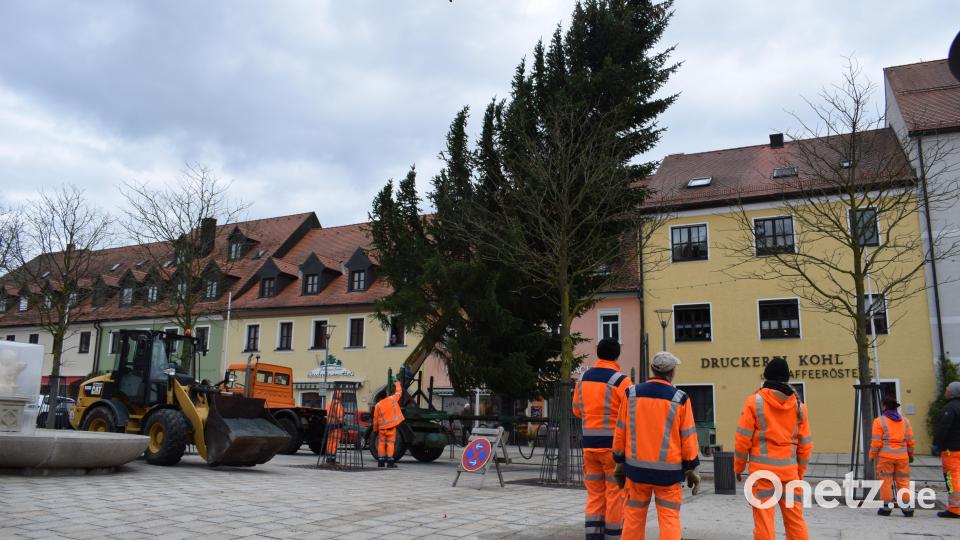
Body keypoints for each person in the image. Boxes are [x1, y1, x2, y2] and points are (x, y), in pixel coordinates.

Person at [612, 351, 699, 540]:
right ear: (672, 372)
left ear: (652, 369)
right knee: (669, 519)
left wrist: (619, 462)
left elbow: (621, 430)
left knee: (633, 518)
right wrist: (691, 468)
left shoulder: (631, 394)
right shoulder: (680, 398)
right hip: (669, 474)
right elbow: (688, 437)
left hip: (636, 471)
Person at [734, 357, 812, 540]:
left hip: (763, 475)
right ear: (787, 378)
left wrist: (738, 467)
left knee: (764, 523)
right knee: (795, 521)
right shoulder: (800, 406)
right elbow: (806, 444)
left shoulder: (754, 401)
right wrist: (799, 473)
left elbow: (742, 439)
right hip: (790, 473)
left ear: (766, 377)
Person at [573, 337, 633, 540]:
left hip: (589, 446)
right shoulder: (621, 380)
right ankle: (614, 535)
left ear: (598, 353)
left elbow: (577, 410)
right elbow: (630, 413)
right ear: (617, 355)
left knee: (594, 493)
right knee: (615, 494)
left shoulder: (582, 379)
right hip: (613, 449)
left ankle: (593, 535)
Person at [870, 394, 915, 516]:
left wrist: (872, 455)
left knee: (886, 482)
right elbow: (910, 441)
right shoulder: (905, 421)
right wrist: (910, 454)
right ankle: (907, 508)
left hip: (886, 457)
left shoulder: (879, 421)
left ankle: (886, 508)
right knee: (903, 481)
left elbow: (876, 442)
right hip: (902, 457)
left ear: (884, 406)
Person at [934, 381, 960, 519]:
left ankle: (955, 509)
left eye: (947, 388)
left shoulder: (950, 408)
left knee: (952, 478)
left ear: (952, 392)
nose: (945, 389)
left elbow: (943, 429)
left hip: (952, 450)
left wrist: (936, 444)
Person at [373, 380, 405, 468]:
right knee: (390, 444)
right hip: (391, 428)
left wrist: (375, 430)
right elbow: (399, 393)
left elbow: (375, 419)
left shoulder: (377, 405)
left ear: (379, 397)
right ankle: (390, 463)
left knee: (381, 444)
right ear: (386, 395)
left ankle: (381, 462)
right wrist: (397, 382)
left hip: (382, 429)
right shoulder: (392, 399)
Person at [324, 390, 344, 464]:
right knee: (334, 442)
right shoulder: (338, 404)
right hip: (336, 426)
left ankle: (329, 458)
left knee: (330, 441)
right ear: (339, 396)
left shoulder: (329, 403)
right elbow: (340, 417)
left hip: (329, 425)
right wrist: (342, 422)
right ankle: (332, 459)